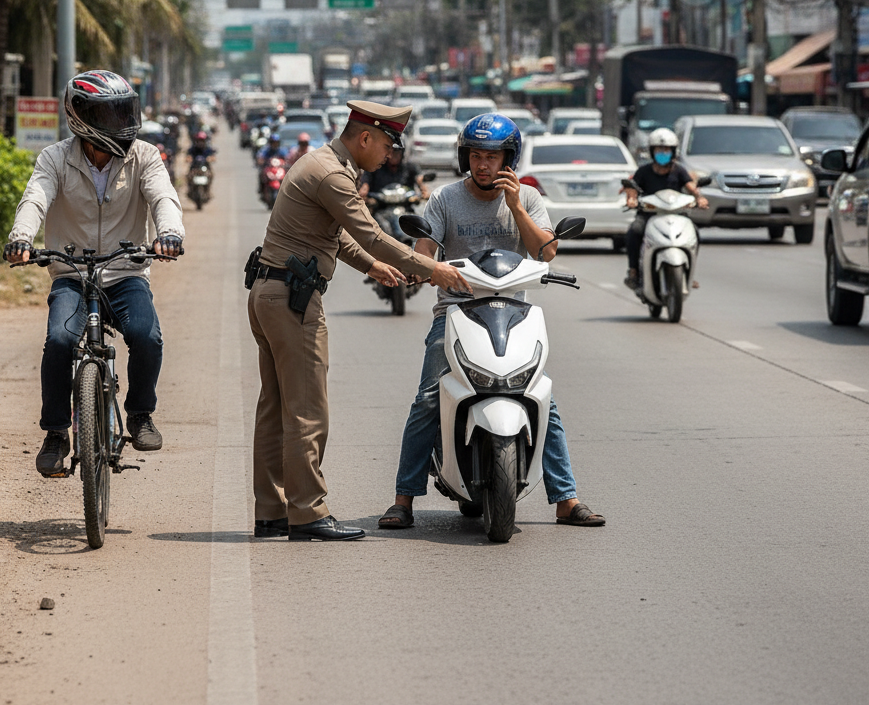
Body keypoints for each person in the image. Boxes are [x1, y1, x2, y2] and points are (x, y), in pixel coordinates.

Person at [248, 100, 472, 542]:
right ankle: (308, 512)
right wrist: (435, 269)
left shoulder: (321, 165)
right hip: (293, 301)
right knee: (308, 411)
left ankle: (273, 511)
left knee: (276, 409)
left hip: (270, 292)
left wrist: (372, 267)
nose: (389, 156)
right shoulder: (333, 174)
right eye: (387, 145)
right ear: (365, 137)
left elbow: (337, 236)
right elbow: (369, 231)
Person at [378, 113, 605, 530]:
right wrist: (421, 268)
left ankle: (566, 499)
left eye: (493, 157)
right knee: (430, 395)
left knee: (540, 395)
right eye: (477, 156)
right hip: (455, 311)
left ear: (509, 159)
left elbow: (546, 253)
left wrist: (516, 205)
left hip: (512, 312)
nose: (484, 165)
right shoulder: (445, 199)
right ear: (466, 157)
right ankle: (403, 499)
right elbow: (425, 250)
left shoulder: (529, 198)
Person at [4, 70, 184, 477]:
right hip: (71, 273)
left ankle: (139, 414)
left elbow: (163, 197)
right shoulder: (54, 158)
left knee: (146, 336)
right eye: (112, 115)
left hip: (125, 272)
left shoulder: (145, 156)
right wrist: (20, 239)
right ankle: (55, 433)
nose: (124, 124)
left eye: (126, 112)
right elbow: (35, 198)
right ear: (82, 118)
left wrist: (169, 233)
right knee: (59, 340)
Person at [623, 127, 709, 290]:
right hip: (649, 216)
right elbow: (632, 187)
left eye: (666, 150)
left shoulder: (679, 171)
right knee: (634, 231)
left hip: (677, 216)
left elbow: (691, 187)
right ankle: (634, 271)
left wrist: (700, 198)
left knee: (695, 233)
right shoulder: (644, 171)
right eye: (659, 150)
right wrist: (632, 199)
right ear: (652, 152)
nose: (663, 153)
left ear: (673, 151)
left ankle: (689, 273)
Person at [359, 145, 429, 202]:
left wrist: (424, 190)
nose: (393, 155)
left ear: (402, 153)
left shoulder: (409, 167)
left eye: (397, 152)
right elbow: (366, 180)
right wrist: (364, 189)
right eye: (391, 152)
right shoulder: (376, 166)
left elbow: (419, 178)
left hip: (405, 207)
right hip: (379, 207)